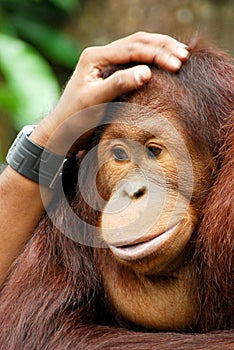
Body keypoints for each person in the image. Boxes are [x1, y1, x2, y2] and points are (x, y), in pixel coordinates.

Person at [0, 32, 189, 285]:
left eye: (154, 151)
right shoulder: (74, 235)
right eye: (119, 154)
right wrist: (52, 134)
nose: (134, 191)